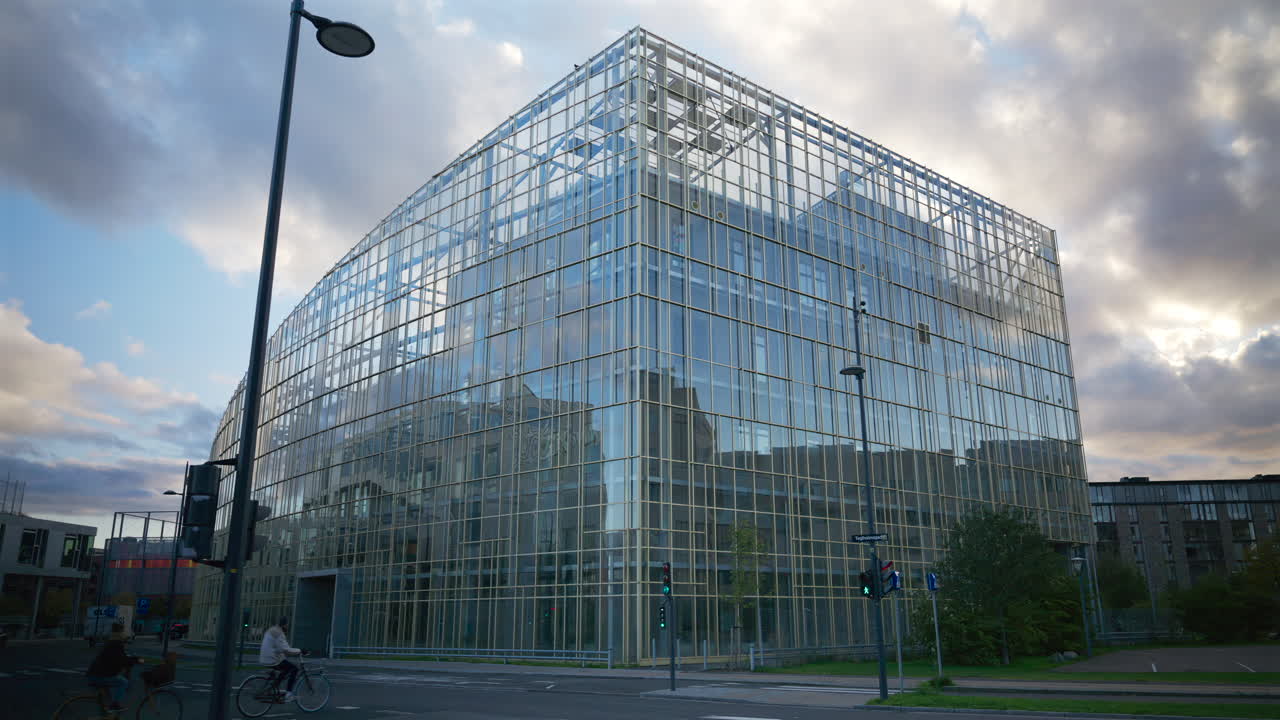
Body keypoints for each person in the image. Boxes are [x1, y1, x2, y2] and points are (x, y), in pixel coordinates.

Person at [85, 623, 142, 710]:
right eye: (123, 633)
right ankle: (116, 704)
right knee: (123, 682)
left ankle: (106, 711)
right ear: (121, 634)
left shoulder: (111, 643)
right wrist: (136, 660)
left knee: (106, 700)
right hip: (100, 676)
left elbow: (120, 657)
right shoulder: (117, 644)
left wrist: (132, 659)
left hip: (95, 674)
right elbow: (121, 660)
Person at [259, 617, 303, 701]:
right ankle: (289, 694)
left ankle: (274, 687)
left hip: (265, 658)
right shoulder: (279, 633)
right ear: (285, 624)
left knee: (286, 669)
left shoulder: (271, 629)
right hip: (272, 660)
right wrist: (300, 651)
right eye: (287, 625)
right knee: (294, 669)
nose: (288, 627)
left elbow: (279, 649)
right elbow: (286, 650)